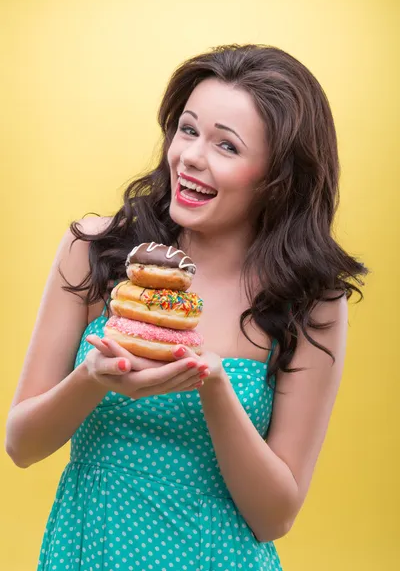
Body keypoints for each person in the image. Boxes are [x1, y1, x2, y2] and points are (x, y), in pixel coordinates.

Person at [6, 44, 368, 571]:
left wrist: (214, 385)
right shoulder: (96, 253)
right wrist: (92, 377)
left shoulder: (311, 303)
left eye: (227, 146)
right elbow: (22, 445)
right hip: (90, 550)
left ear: (278, 177)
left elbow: (274, 518)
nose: (190, 156)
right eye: (188, 129)